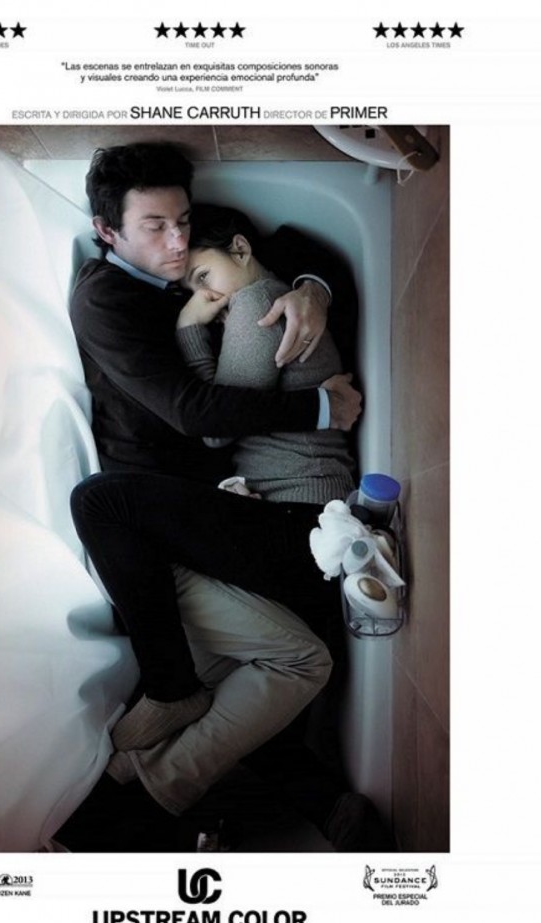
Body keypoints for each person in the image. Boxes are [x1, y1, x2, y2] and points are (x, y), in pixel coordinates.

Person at [58, 141, 393, 852]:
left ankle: (243, 800)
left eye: (183, 221)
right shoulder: (108, 298)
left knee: (289, 654)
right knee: (103, 504)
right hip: (161, 511)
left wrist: (312, 288)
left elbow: (294, 246)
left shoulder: (193, 259)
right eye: (155, 227)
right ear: (107, 230)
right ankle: (265, 792)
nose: (178, 242)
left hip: (225, 498)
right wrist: (320, 409)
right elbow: (194, 414)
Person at [176, 202, 357, 504]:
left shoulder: (256, 305)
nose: (202, 299)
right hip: (298, 486)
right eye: (191, 292)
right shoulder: (268, 296)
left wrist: (189, 328)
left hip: (301, 491)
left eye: (203, 277)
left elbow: (215, 428)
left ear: (240, 250)